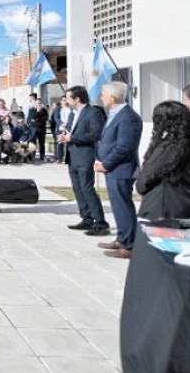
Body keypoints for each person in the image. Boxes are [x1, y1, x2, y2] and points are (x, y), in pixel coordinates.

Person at [93, 82, 143, 259]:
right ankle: (122, 238)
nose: (101, 98)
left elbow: (124, 147)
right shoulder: (115, 114)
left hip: (120, 169)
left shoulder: (128, 117)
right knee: (117, 205)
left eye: (103, 95)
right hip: (113, 169)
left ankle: (129, 245)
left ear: (113, 97)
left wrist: (105, 164)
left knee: (123, 206)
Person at [59, 85, 109, 234]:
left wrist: (72, 137)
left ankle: (100, 222)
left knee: (87, 188)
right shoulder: (73, 114)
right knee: (77, 188)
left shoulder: (93, 113)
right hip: (72, 156)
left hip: (85, 156)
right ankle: (86, 218)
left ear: (77, 98)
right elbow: (70, 131)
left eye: (68, 98)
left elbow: (96, 134)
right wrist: (64, 136)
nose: (66, 101)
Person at [136, 101, 190, 220]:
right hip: (189, 207)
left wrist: (140, 187)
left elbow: (146, 179)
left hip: (163, 207)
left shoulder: (169, 147)